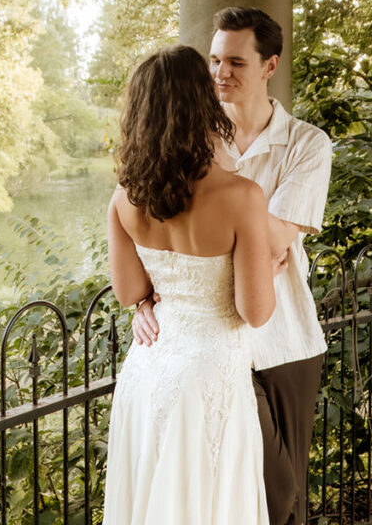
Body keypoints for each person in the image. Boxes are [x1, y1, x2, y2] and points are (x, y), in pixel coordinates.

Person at [132, 7, 332, 525]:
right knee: (222, 497)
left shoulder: (307, 145)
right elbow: (157, 232)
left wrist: (230, 225)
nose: (221, 72)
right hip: (209, 350)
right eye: (215, 60)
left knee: (285, 498)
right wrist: (151, 297)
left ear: (270, 66)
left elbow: (276, 239)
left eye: (236, 62)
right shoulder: (190, 138)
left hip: (284, 340)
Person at [103, 45, 274, 524]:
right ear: (203, 105)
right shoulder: (242, 195)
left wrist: (147, 306)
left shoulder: (124, 198)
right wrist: (266, 263)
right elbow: (256, 311)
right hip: (208, 377)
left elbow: (130, 293)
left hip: (148, 367)